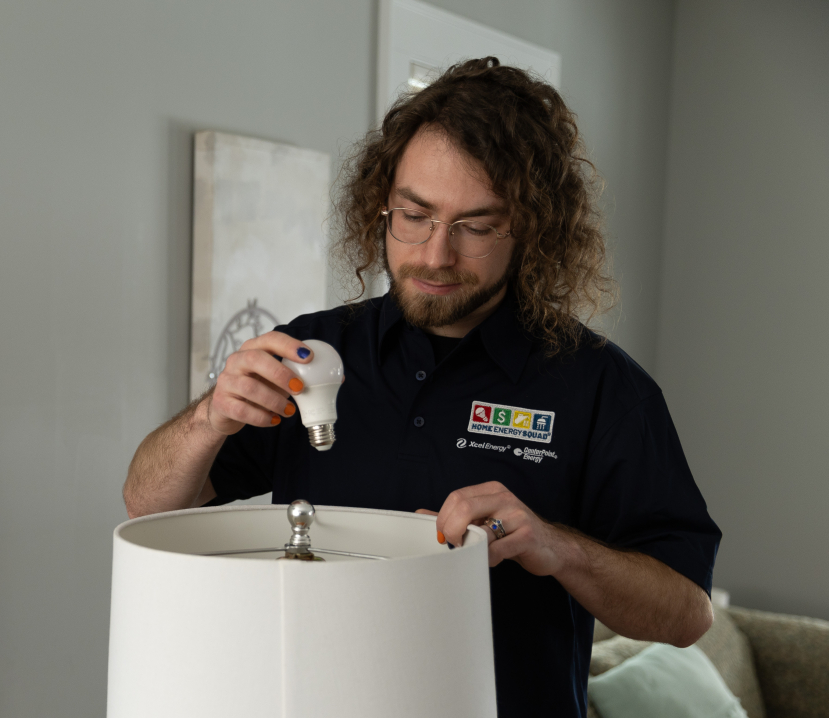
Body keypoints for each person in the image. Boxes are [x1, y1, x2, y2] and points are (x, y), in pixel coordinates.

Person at [122, 58, 720, 718]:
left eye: (477, 226)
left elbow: (686, 614)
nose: (436, 255)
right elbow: (146, 506)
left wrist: (556, 548)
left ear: (532, 229)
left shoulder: (603, 388)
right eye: (414, 215)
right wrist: (210, 416)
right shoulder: (309, 353)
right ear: (381, 205)